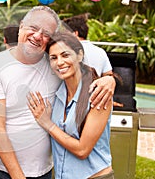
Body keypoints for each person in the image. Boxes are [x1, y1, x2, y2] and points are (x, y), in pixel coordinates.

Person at [0, 6, 115, 179]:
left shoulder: (54, 64)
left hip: (44, 171)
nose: (37, 36)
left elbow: (85, 71)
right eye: (33, 28)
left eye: (46, 33)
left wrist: (110, 80)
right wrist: (17, 175)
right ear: (21, 26)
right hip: (1, 171)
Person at [27, 31, 114, 179]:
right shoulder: (58, 91)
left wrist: (47, 123)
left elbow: (82, 150)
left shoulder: (97, 94)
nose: (59, 62)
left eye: (65, 55)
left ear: (79, 55)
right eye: (53, 58)